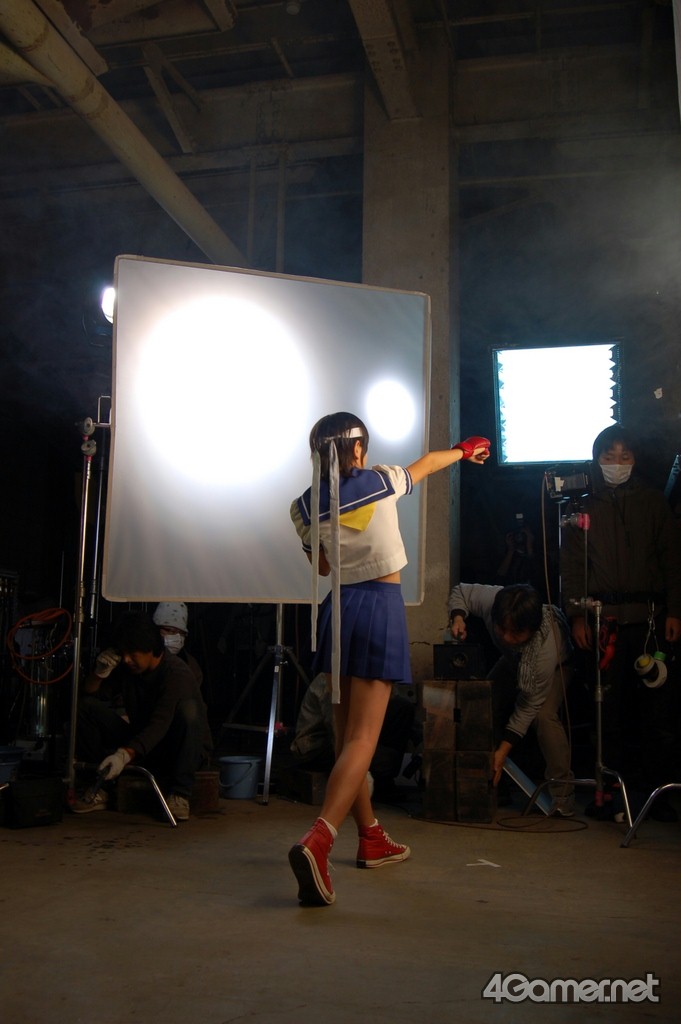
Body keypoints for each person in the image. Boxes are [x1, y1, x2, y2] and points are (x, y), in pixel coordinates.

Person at [288, 411, 489, 906]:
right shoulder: (381, 481)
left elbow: (323, 567)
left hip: (338, 610)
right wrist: (464, 450)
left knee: (345, 741)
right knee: (363, 740)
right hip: (378, 607)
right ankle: (319, 839)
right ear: (357, 448)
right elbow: (427, 464)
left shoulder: (303, 506)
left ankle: (372, 837)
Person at [560, 423, 681, 821]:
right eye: (609, 456)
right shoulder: (582, 507)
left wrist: (675, 611)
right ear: (597, 460)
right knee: (606, 712)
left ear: (635, 460)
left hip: (650, 622)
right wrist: (576, 616)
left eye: (624, 456)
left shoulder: (653, 503)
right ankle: (608, 794)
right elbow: (571, 568)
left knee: (657, 713)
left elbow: (672, 560)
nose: (616, 462)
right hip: (603, 623)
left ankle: (657, 795)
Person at [447, 582, 575, 816]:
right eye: (501, 628)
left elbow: (528, 706)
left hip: (557, 667)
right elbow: (461, 591)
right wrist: (458, 617)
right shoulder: (493, 601)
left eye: (515, 633)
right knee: (481, 702)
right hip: (514, 660)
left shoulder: (545, 651)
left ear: (531, 630)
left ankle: (562, 795)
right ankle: (496, 787)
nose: (506, 637)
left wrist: (503, 751)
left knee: (543, 716)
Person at [72, 611, 213, 821]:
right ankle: (99, 785)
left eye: (132, 653)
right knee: (86, 708)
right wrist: (99, 674)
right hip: (145, 743)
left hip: (180, 750)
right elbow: (90, 694)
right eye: (123, 653)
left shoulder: (177, 674)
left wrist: (124, 754)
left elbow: (160, 724)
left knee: (188, 711)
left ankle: (180, 794)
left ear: (151, 649)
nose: (126, 659)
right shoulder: (128, 668)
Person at [290, 672, 418, 799]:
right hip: (316, 746)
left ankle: (384, 781)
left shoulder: (368, 674)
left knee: (402, 707)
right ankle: (365, 787)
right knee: (384, 761)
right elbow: (337, 729)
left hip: (350, 736)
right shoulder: (334, 679)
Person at [152, 601, 204, 686]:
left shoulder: (191, 666)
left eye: (181, 633)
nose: (176, 636)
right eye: (169, 630)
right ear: (155, 630)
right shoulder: (144, 658)